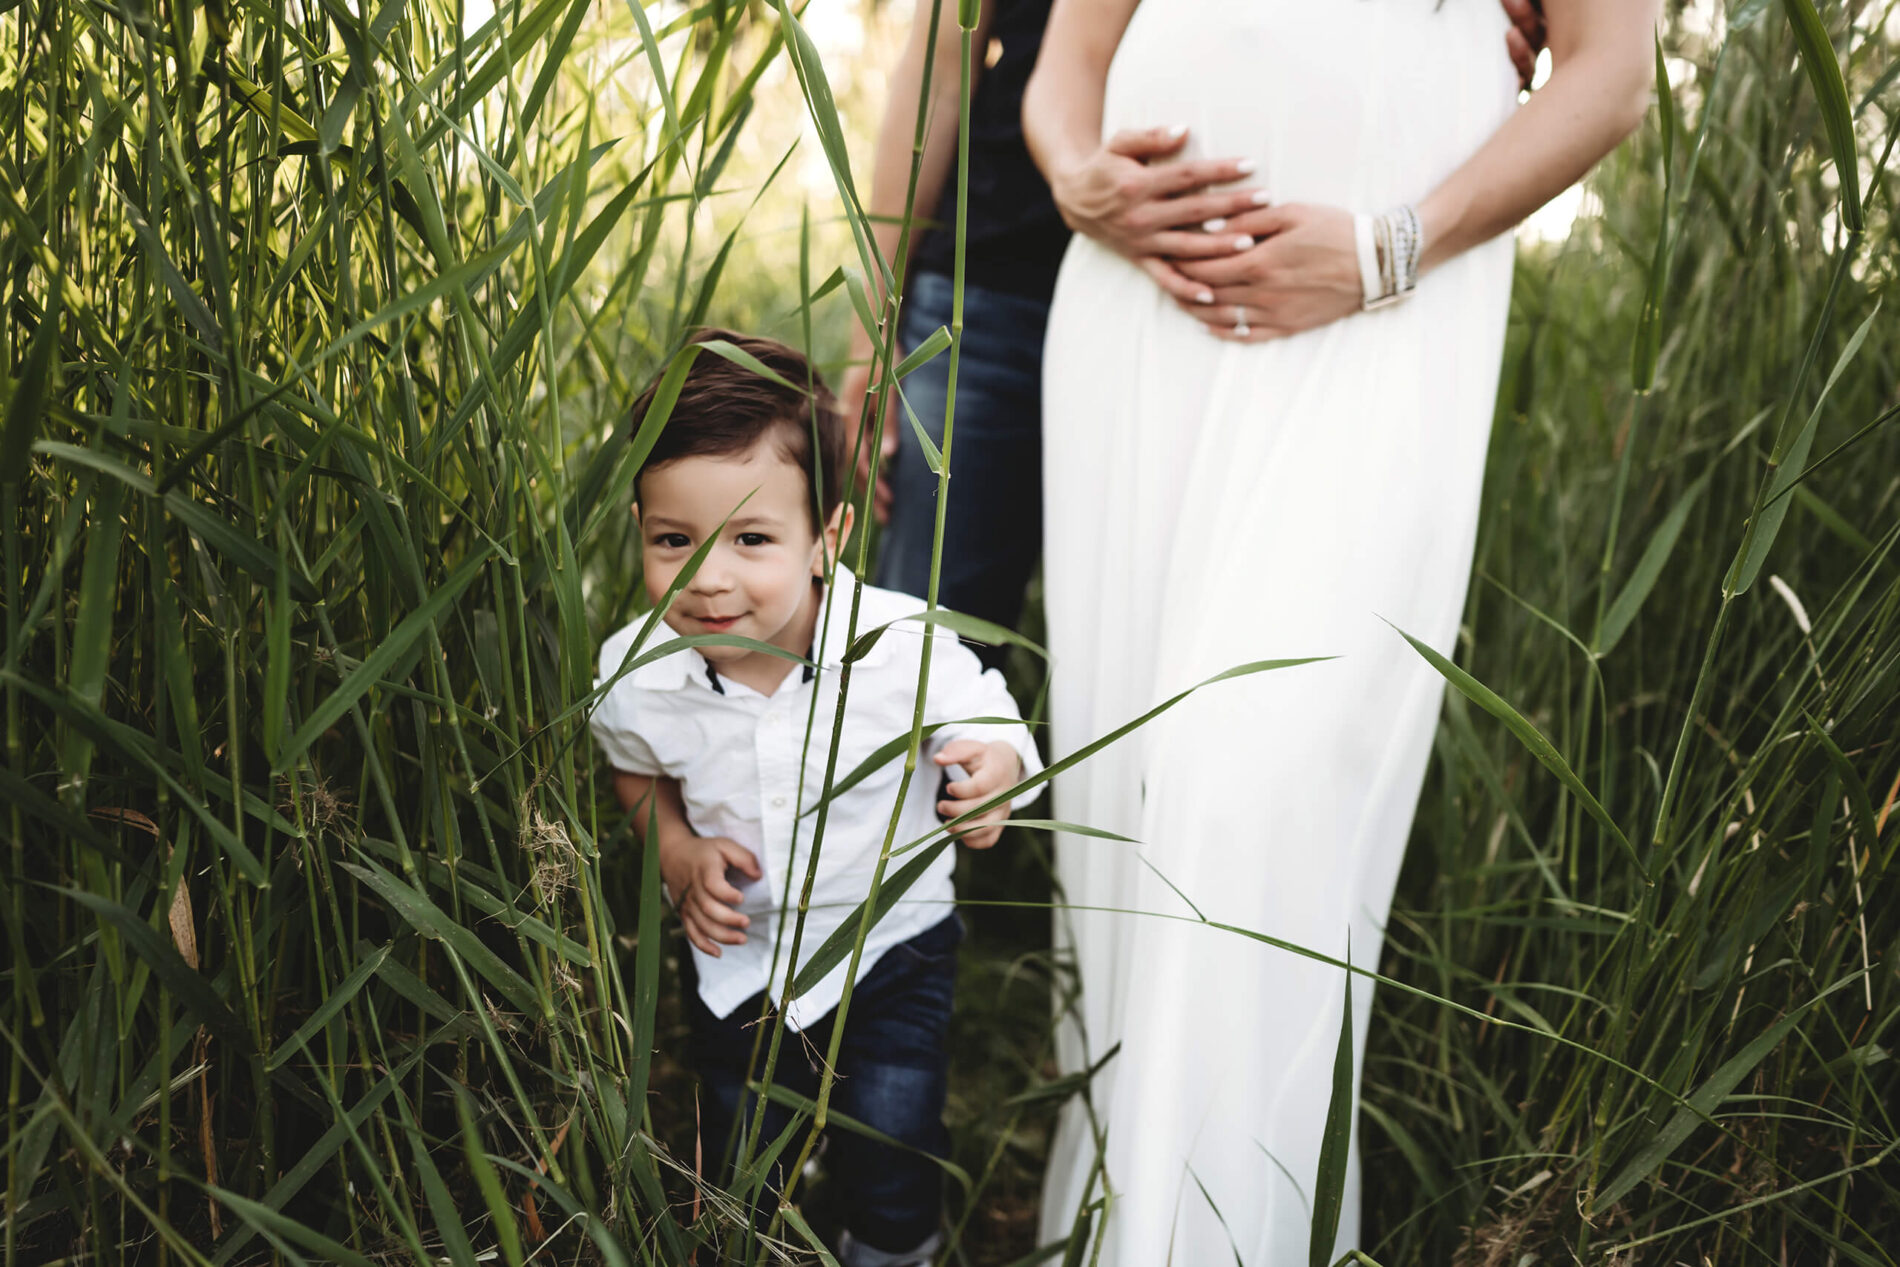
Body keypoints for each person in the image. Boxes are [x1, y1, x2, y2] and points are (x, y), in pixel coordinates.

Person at [1020, 1, 1656, 1262]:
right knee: (1125, 801)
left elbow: (1612, 75)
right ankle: (1124, 1222)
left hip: (1379, 326)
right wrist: (1079, 180)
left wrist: (1384, 247)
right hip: (1134, 324)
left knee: (1241, 782)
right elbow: (1064, 70)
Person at [840, 0, 1546, 667]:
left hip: (1233, 314)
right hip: (993, 290)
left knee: (1179, 666)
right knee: (925, 660)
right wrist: (874, 321)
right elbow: (937, 65)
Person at [588, 332, 1044, 1267]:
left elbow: (993, 719)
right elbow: (631, 766)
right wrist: (673, 850)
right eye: (675, 541)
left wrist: (994, 769)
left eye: (751, 541)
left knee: (891, 1127)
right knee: (742, 1135)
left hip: (893, 939)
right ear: (640, 525)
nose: (710, 578)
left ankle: (891, 1246)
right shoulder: (638, 673)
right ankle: (753, 1241)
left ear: (826, 538)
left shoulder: (898, 645)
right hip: (740, 954)